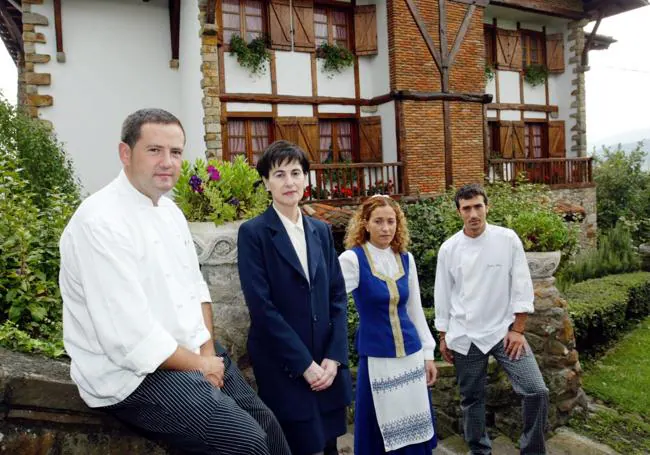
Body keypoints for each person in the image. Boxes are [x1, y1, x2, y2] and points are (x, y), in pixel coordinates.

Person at [59, 108, 291, 455]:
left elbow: (196, 287)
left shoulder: (170, 212)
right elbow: (128, 339)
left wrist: (208, 351)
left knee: (270, 428)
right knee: (246, 442)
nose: (167, 162)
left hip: (191, 349)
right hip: (132, 375)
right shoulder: (99, 222)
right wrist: (200, 365)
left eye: (176, 152)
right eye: (155, 150)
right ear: (126, 153)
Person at [237, 140, 352, 455]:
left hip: (327, 366)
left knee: (330, 445)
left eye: (296, 173)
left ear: (306, 179)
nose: (289, 182)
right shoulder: (254, 233)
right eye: (279, 174)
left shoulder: (321, 231)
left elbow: (337, 298)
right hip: (285, 366)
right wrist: (305, 365)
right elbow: (262, 308)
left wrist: (334, 357)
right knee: (297, 446)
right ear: (265, 182)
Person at [434, 183, 549, 455]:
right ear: (459, 212)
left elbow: (521, 285)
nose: (473, 214)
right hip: (465, 335)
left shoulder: (507, 239)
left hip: (504, 332)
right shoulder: (449, 249)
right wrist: (443, 336)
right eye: (466, 208)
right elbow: (443, 295)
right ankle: (479, 451)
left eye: (477, 206)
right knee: (471, 399)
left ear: (487, 207)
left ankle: (532, 450)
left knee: (536, 390)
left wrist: (518, 330)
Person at [338, 195, 438, 455]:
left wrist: (428, 354)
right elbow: (330, 301)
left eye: (391, 221)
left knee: (414, 423)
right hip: (378, 356)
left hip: (412, 355)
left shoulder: (405, 258)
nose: (385, 228)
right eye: (378, 221)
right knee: (380, 426)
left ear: (398, 224)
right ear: (365, 224)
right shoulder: (353, 259)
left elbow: (415, 309)